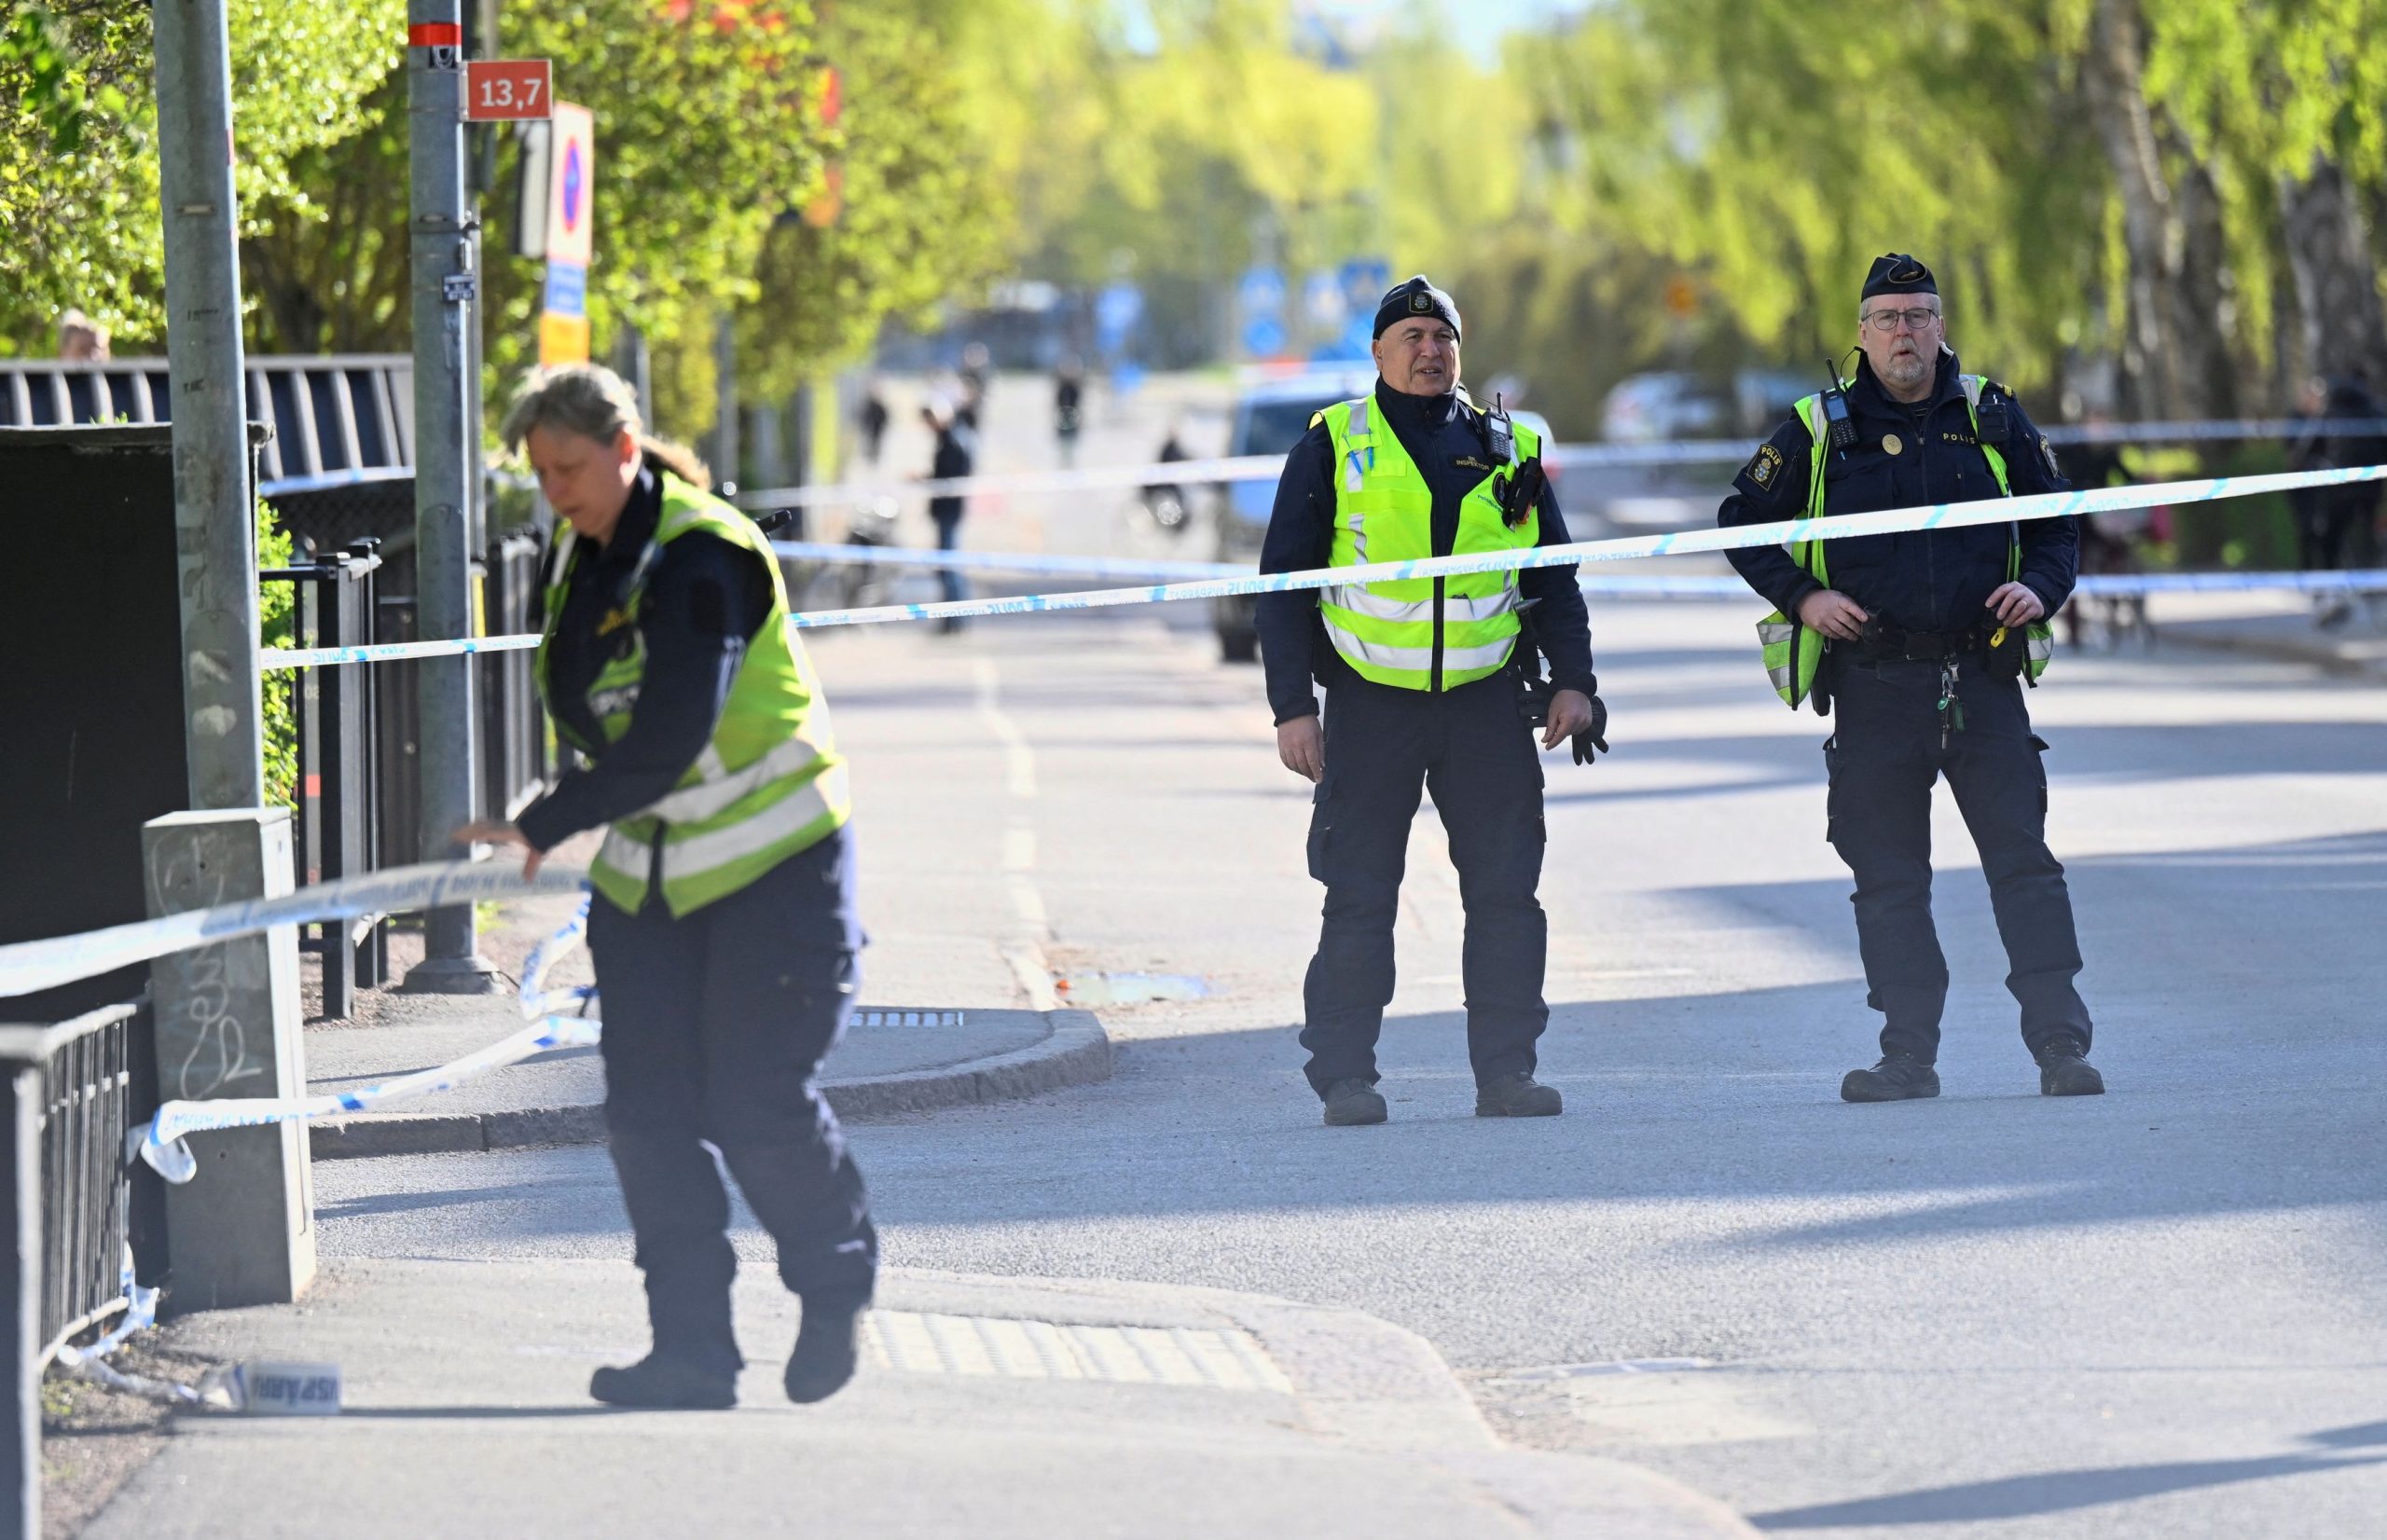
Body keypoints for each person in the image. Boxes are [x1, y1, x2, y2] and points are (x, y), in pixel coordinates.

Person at [459, 364, 875, 1409]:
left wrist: (544, 820)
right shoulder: (586, 551)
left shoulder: (702, 554)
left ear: (624, 447)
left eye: (568, 467)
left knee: (754, 1101)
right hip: (652, 880)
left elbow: (675, 728)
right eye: (540, 473)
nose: (554, 490)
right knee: (647, 1118)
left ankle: (834, 1286)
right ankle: (691, 1353)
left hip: (777, 868)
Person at [1719, 254, 2103, 1102]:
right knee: (1890, 882)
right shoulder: (1819, 428)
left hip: (1981, 675)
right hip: (1876, 682)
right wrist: (1805, 596)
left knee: (2025, 867)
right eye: (1889, 319)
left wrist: (2040, 590)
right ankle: (1908, 1056)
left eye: (1920, 316)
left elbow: (2057, 520)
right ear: (1862, 334)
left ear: (1940, 327)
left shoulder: (1990, 414)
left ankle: (2061, 1046)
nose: (1905, 333)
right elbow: (1742, 521)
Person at [1257, 275, 1607, 1127]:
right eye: (1411, 337)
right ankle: (1347, 1077)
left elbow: (1553, 579)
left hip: (1486, 705)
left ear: (1460, 349)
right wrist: (1292, 707)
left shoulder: (1508, 445)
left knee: (1506, 894)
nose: (1429, 350)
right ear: (1378, 351)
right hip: (1371, 705)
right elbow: (1282, 586)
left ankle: (1507, 1074)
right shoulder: (1335, 443)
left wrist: (1575, 681)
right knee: (1359, 895)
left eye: (1442, 336)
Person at [922, 397, 975, 633]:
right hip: (946, 510)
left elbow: (951, 477)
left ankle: (955, 618)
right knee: (946, 565)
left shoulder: (953, 440)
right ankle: (952, 617)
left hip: (949, 511)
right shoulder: (949, 438)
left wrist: (928, 480)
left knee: (949, 566)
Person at [1054, 356, 1085, 469]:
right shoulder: (1063, 387)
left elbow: (1078, 404)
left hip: (1072, 416)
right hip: (1064, 416)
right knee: (1064, 442)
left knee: (1071, 441)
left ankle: (1069, 462)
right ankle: (1065, 462)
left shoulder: (1075, 388)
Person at [858, 380, 890, 466]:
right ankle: (871, 454)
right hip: (872, 427)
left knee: (876, 442)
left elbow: (884, 416)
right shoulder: (869, 405)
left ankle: (874, 454)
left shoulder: (879, 406)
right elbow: (865, 416)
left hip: (877, 427)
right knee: (870, 441)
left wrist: (883, 424)